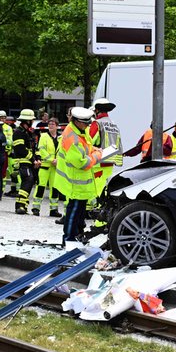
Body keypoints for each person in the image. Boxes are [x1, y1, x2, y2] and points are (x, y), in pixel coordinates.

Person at [55, 107, 103, 245]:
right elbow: (81, 162)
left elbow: (87, 147)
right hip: (74, 181)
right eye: (86, 122)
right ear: (77, 121)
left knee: (79, 213)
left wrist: (95, 150)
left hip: (79, 182)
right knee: (73, 212)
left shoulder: (81, 131)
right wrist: (97, 155)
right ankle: (69, 240)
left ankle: (77, 236)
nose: (88, 125)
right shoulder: (72, 137)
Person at [85, 98, 123, 235]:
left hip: (99, 162)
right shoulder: (113, 124)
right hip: (110, 163)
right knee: (105, 192)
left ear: (96, 110)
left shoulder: (97, 124)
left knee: (98, 194)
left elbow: (89, 141)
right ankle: (104, 222)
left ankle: (99, 224)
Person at [11, 109, 40, 215]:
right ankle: (19, 206)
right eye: (31, 120)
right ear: (27, 121)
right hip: (22, 162)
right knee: (28, 180)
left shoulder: (29, 133)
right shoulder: (18, 132)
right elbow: (20, 149)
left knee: (30, 181)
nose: (32, 122)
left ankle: (24, 205)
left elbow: (34, 148)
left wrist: (37, 159)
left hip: (30, 162)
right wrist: (33, 159)